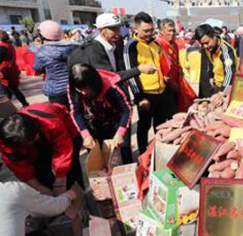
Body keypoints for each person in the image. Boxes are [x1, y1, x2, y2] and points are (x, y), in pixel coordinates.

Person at [0, 102, 83, 195]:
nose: (36, 139)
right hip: (35, 148)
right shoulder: (6, 142)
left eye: (35, 136)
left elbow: (64, 150)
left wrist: (60, 182)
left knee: (71, 169)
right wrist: (39, 187)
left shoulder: (49, 120)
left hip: (66, 131)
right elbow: (19, 167)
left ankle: (79, 195)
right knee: (41, 173)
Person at [124, 12, 177, 154]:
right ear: (136, 29)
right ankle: (143, 153)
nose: (149, 33)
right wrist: (139, 97)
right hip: (146, 95)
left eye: (151, 30)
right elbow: (131, 73)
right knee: (144, 126)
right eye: (145, 31)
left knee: (160, 125)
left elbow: (162, 64)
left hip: (161, 92)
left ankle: (158, 151)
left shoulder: (155, 44)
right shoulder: (131, 46)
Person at [68, 64, 133, 164]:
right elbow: (76, 112)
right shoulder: (73, 87)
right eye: (80, 90)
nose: (83, 93)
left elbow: (127, 110)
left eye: (86, 88)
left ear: (94, 83)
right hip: (96, 118)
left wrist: (120, 132)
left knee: (124, 150)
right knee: (100, 154)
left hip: (117, 118)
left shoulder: (113, 86)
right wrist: (85, 135)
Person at [69, 13, 155, 82]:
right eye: (113, 29)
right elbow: (110, 76)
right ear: (101, 30)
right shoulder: (94, 49)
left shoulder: (117, 43)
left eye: (118, 28)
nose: (118, 32)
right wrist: (139, 70)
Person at [33, 21, 75, 107]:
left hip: (56, 91)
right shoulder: (73, 47)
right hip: (74, 87)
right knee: (77, 114)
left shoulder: (42, 52)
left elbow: (37, 68)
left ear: (42, 36)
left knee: (61, 116)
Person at [156, 19, 195, 112]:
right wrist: (170, 81)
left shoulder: (175, 44)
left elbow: (176, 61)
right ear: (162, 31)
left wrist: (180, 71)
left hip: (176, 80)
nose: (172, 33)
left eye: (173, 30)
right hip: (165, 83)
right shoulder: (159, 44)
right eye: (169, 30)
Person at [195, 24, 238, 96]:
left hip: (228, 87)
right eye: (202, 44)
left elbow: (229, 73)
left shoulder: (226, 51)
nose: (205, 46)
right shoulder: (208, 49)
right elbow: (210, 61)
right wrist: (210, 75)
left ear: (214, 37)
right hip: (216, 85)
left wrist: (222, 92)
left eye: (207, 43)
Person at [0, 31, 28, 107]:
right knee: (10, 91)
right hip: (11, 69)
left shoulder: (2, 47)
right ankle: (22, 104)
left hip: (6, 71)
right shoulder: (8, 44)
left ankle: (7, 108)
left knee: (10, 91)